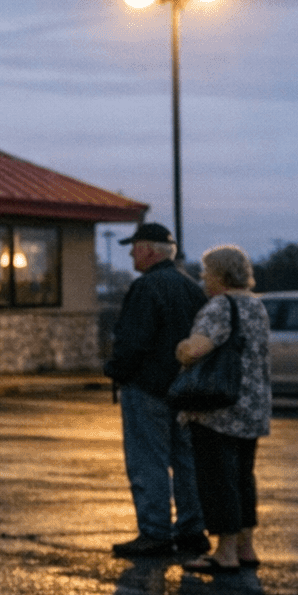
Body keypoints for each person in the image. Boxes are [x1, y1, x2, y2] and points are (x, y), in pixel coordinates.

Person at [103, 222, 210, 558]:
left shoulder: (146, 288)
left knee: (148, 461)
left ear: (148, 250)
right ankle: (193, 529)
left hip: (146, 387)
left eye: (134, 247)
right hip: (183, 388)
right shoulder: (191, 288)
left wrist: (116, 371)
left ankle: (155, 532)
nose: (132, 254)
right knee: (186, 461)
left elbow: (133, 342)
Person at [175, 245, 272, 574]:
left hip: (219, 408)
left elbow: (197, 350)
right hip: (253, 405)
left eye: (206, 273)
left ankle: (225, 552)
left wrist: (182, 348)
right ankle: (246, 547)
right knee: (244, 478)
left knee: (218, 479)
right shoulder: (256, 306)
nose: (203, 280)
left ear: (218, 275)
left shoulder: (219, 306)